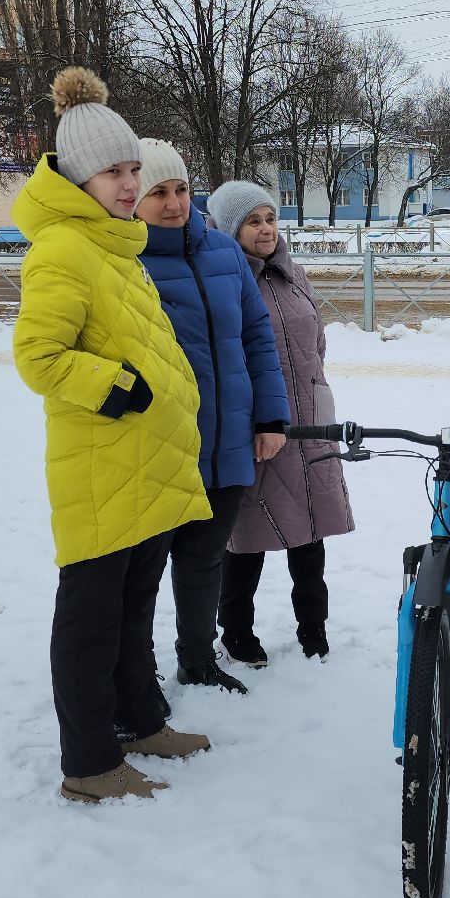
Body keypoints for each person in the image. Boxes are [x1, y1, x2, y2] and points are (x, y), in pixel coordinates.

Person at [12, 67, 215, 805]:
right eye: (115, 172)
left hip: (143, 465)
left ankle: (141, 720)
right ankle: (91, 764)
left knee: (133, 608)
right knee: (92, 620)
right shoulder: (63, 249)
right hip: (102, 465)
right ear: (76, 176)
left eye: (135, 169)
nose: (131, 184)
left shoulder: (113, 246)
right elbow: (40, 356)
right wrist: (116, 389)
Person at [135, 143, 290, 694]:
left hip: (228, 437)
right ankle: (136, 668)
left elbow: (257, 339)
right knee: (145, 569)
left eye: (180, 189)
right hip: (162, 444)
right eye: (158, 193)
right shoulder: (126, 261)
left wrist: (271, 417)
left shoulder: (224, 253)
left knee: (204, 562)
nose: (174, 204)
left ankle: (197, 658)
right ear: (134, 200)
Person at [206, 182, 355, 663]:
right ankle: (236, 631)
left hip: (308, 419)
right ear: (231, 229)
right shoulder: (225, 280)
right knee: (246, 536)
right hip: (256, 425)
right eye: (253, 221)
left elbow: (316, 344)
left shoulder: (294, 275)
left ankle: (313, 627)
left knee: (310, 529)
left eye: (270, 218)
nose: (266, 229)